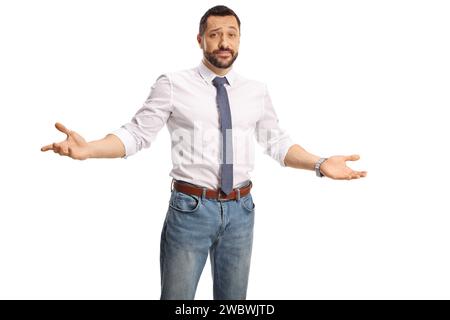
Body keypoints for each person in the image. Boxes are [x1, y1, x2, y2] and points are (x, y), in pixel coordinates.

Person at [41, 5, 367, 300]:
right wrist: (90, 150)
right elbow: (136, 134)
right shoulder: (172, 84)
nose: (224, 42)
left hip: (242, 211)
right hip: (190, 210)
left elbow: (277, 143)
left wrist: (320, 163)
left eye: (231, 34)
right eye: (215, 35)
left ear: (240, 39)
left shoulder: (256, 91)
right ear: (200, 40)